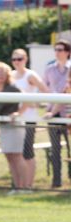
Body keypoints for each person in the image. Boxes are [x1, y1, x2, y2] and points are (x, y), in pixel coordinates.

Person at [0, 63, 28, 194]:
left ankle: (25, 187)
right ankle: (17, 186)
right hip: (3, 126)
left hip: (14, 126)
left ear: (7, 74)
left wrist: (18, 113)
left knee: (17, 156)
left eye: (2, 72)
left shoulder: (12, 88)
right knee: (9, 156)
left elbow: (27, 100)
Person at [11, 48, 48, 190]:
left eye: (19, 59)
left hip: (29, 118)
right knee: (16, 152)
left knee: (27, 152)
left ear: (25, 59)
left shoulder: (30, 75)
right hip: (15, 119)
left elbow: (45, 91)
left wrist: (34, 104)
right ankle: (19, 184)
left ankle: (29, 184)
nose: (16, 62)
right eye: (14, 59)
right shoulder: (12, 75)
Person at [43, 40, 71, 188]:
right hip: (53, 113)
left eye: (61, 49)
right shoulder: (49, 69)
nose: (58, 52)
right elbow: (45, 87)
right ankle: (56, 179)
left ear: (67, 52)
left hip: (68, 113)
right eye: (56, 49)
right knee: (55, 148)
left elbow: (66, 91)